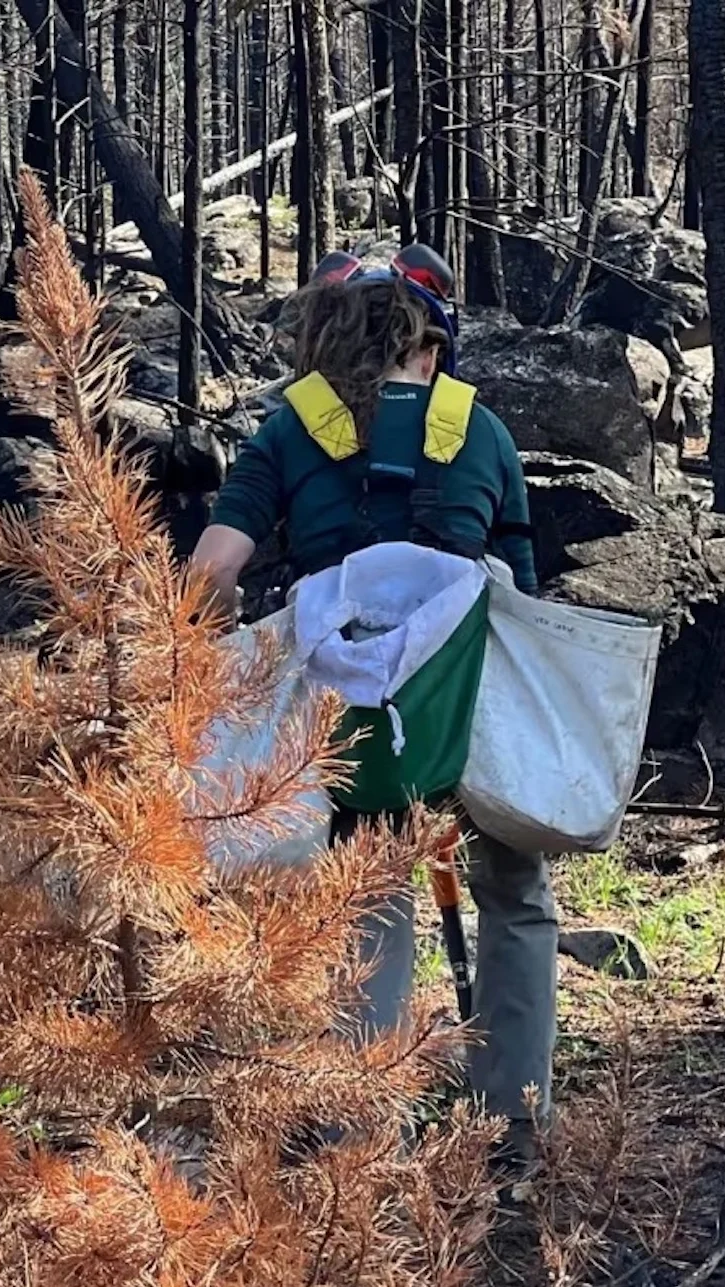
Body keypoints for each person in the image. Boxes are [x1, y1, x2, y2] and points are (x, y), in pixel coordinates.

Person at [191, 245, 557, 1172]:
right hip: (466, 704)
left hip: (352, 718)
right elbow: (518, 587)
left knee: (370, 900)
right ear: (432, 341)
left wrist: (237, 649)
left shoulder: (288, 431)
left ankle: (367, 1138)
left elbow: (211, 574)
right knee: (513, 894)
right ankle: (513, 1128)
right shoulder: (481, 430)